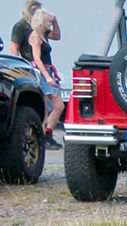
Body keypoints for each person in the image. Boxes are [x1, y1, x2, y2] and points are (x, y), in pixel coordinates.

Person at [27, 6, 62, 149]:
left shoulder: (45, 34)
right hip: (42, 72)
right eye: (48, 21)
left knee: (55, 106)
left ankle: (47, 133)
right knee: (50, 106)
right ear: (41, 22)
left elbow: (58, 36)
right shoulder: (35, 36)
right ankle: (43, 135)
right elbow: (37, 58)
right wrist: (47, 76)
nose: (49, 23)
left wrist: (55, 22)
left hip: (48, 71)